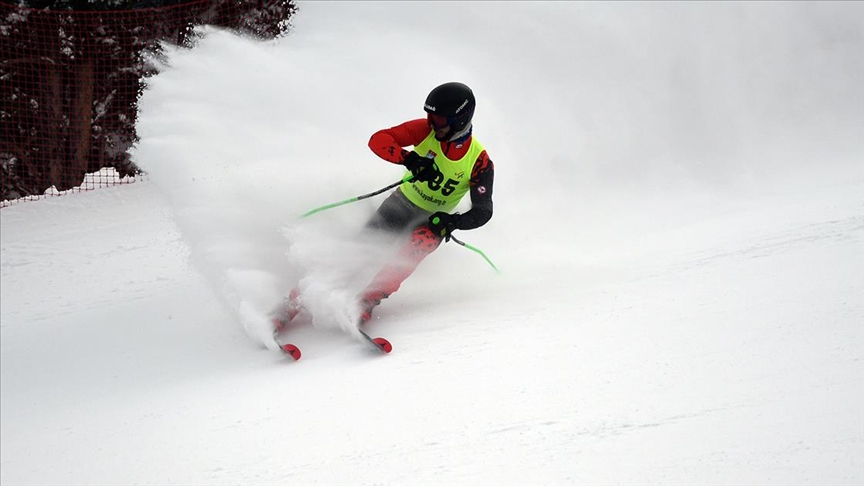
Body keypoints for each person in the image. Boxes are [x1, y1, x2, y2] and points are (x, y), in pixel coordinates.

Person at [274, 81, 495, 332]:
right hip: (401, 205)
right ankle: (293, 302)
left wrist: (451, 222)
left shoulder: (479, 161)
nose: (432, 123)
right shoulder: (425, 131)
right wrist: (410, 159)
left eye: (439, 119)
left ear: (460, 119)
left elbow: (483, 211)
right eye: (429, 116)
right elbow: (378, 140)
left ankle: (366, 301)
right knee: (358, 254)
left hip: (433, 221)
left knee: (418, 244)